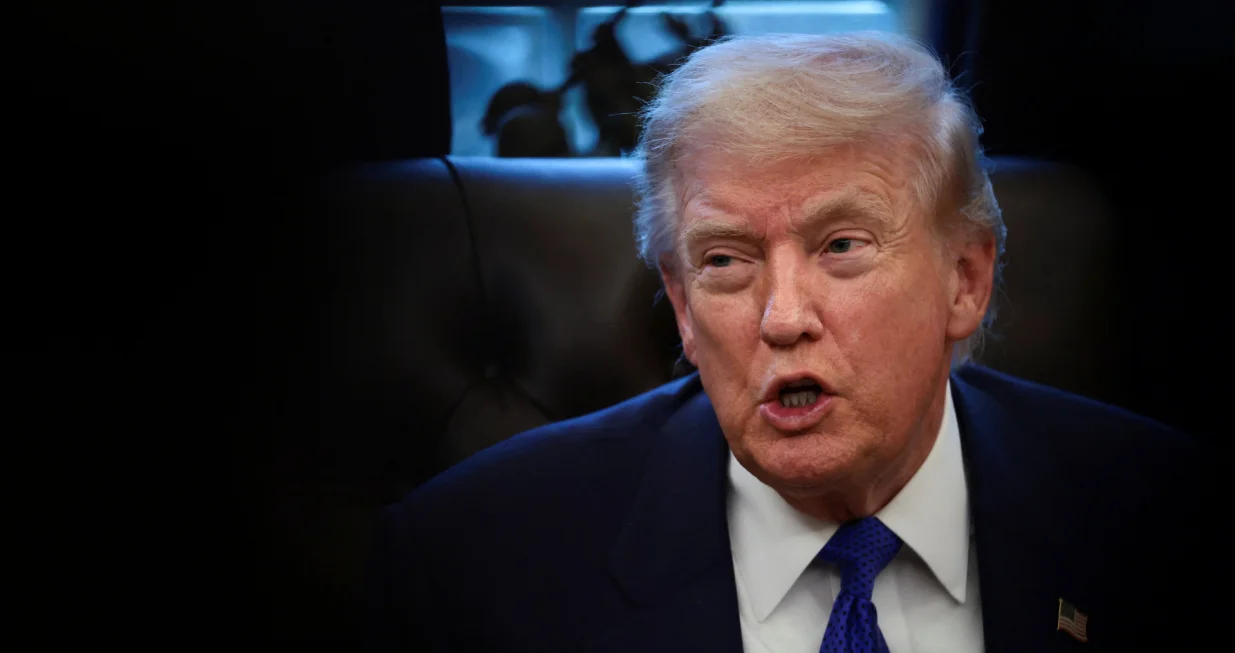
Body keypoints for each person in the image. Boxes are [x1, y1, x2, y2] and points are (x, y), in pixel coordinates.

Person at [363, 32, 1219, 652]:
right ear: (684, 310)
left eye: (841, 245)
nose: (781, 317)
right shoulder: (474, 562)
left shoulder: (1164, 518)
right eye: (725, 260)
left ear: (965, 277)